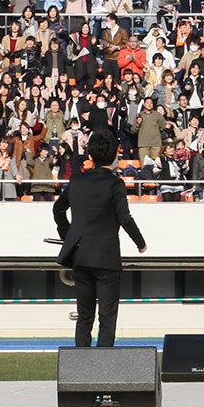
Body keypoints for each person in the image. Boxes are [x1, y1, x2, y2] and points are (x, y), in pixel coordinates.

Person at [54, 130, 148, 348]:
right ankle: (102, 365)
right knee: (107, 318)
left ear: (90, 155)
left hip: (81, 255)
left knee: (84, 317)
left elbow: (58, 210)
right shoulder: (115, 184)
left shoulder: (76, 180)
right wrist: (140, 243)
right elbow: (124, 218)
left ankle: (80, 365)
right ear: (115, 156)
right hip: (107, 257)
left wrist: (67, 235)